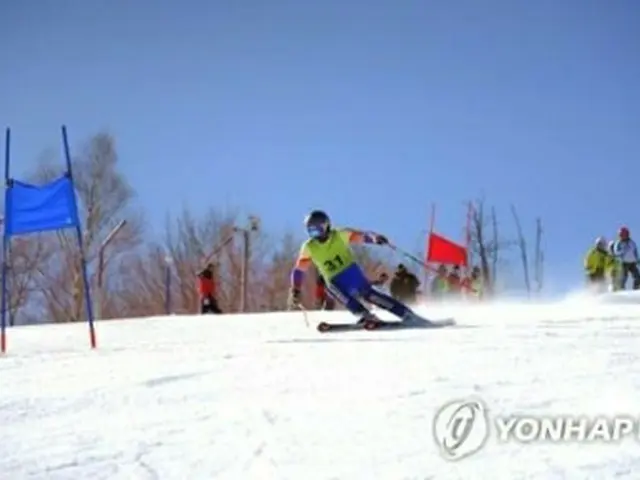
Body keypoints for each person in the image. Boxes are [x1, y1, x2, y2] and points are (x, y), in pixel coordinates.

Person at [287, 210, 425, 325]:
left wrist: (375, 239)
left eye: (317, 230)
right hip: (334, 279)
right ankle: (363, 314)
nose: (315, 235)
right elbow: (299, 269)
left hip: (350, 272)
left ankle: (405, 313)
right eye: (311, 232)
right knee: (331, 287)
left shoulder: (339, 235)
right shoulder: (309, 247)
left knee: (369, 294)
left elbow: (360, 236)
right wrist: (296, 289)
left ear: (326, 226)